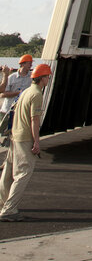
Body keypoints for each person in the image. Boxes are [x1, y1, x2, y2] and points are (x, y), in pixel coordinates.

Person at [0, 62, 53, 221]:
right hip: (24, 139)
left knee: (7, 174)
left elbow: (13, 112)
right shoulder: (37, 94)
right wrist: (36, 142)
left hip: (14, 136)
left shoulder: (25, 91)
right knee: (23, 173)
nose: (49, 80)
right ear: (42, 78)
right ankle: (9, 210)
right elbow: (34, 120)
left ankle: (3, 204)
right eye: (47, 77)